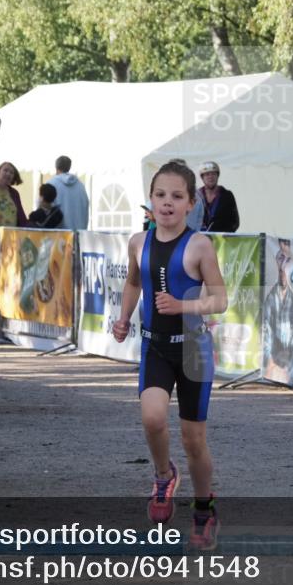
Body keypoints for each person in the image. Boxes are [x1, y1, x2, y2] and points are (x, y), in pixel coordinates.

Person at [112, 159, 227, 550]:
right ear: (150, 199)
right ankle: (164, 475)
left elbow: (220, 300)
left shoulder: (199, 245)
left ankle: (204, 509)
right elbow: (133, 283)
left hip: (193, 350)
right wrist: (124, 317)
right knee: (152, 418)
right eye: (160, 195)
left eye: (177, 196)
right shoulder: (138, 242)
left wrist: (183, 305)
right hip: (155, 346)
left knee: (194, 440)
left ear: (191, 203)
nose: (167, 203)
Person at [261, 239, 293, 385]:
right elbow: (266, 334)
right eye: (280, 257)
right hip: (275, 369)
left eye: (287, 259)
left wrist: (290, 368)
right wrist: (271, 366)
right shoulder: (272, 296)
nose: (282, 264)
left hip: (292, 369)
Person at [197, 161, 240, 232]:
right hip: (199, 236)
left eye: (213, 174)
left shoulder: (227, 195)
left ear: (217, 176)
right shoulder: (197, 196)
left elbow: (235, 222)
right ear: (202, 177)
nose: (210, 177)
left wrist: (223, 233)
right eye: (207, 174)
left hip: (220, 237)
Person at [51, 155, 90, 230]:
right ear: (69, 167)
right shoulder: (80, 186)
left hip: (59, 234)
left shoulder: (51, 185)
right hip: (78, 233)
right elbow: (85, 208)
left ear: (56, 167)